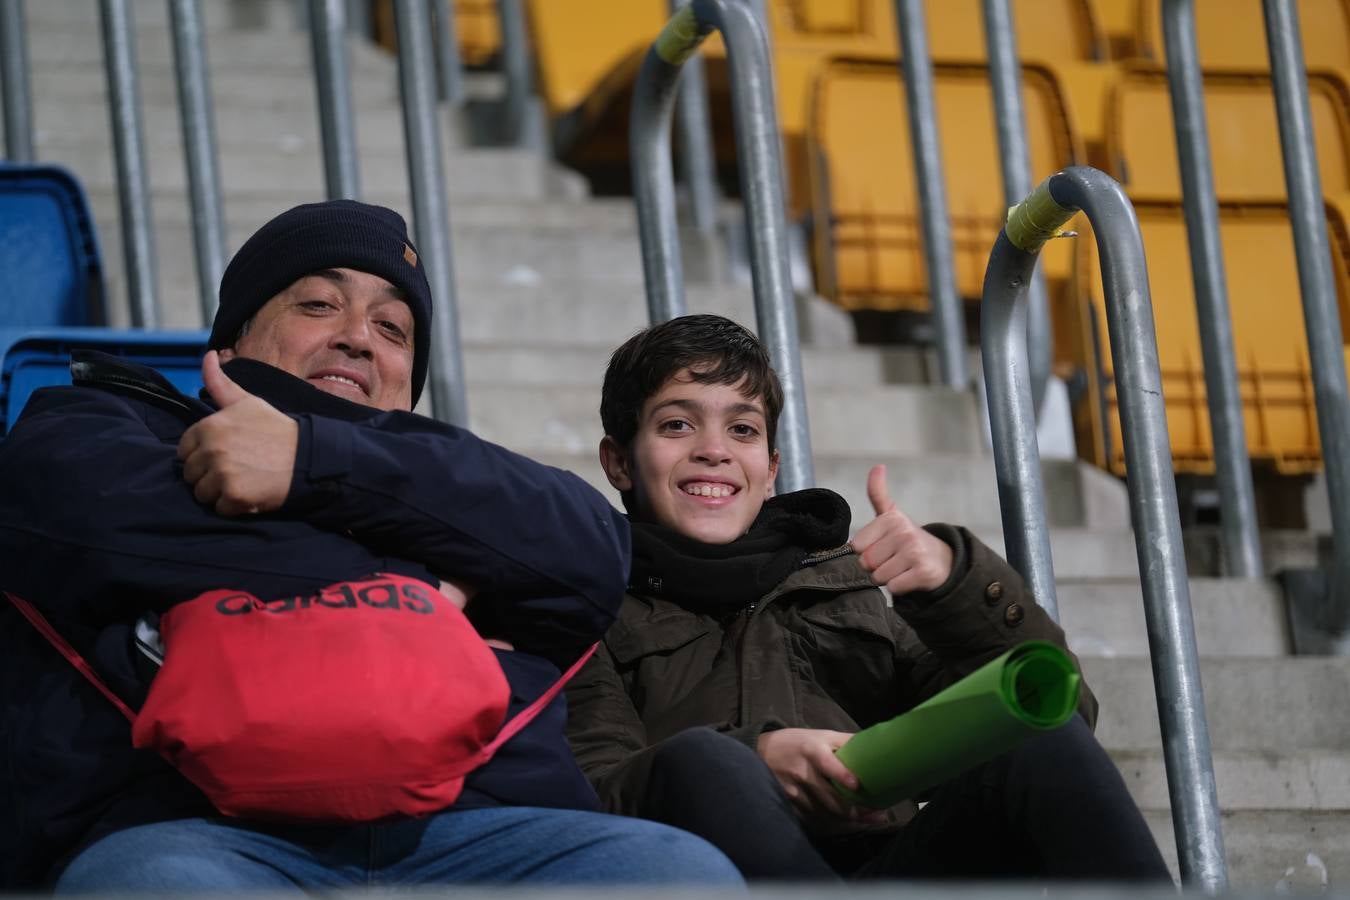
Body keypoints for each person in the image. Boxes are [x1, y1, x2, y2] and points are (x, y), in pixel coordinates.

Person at [0, 201, 740, 892]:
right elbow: (84, 526)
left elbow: (595, 558)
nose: (357, 336)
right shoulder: (103, 424)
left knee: (683, 872)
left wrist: (313, 463)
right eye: (319, 304)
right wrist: (420, 587)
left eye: (393, 330)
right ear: (233, 340)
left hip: (484, 830)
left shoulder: (458, 468)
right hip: (190, 829)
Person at [565, 313, 1172, 881]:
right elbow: (584, 796)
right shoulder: (581, 611)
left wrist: (954, 586)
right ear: (618, 461)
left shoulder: (844, 590)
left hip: (888, 872)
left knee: (1043, 741)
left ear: (771, 466)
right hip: (717, 881)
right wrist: (755, 760)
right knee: (701, 763)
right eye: (677, 424)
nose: (714, 450)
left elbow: (1058, 714)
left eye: (742, 429)